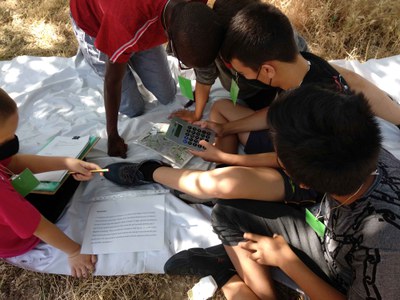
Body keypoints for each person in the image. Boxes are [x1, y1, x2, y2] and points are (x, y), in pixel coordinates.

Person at [166, 85, 400, 299]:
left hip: (343, 276)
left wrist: (286, 261)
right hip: (329, 232)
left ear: (303, 183)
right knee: (225, 212)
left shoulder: (383, 248)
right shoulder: (358, 145)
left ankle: (223, 273)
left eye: (278, 156)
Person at [191, 2, 400, 166]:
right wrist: (226, 129)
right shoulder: (309, 63)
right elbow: (274, 111)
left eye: (243, 73)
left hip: (298, 165)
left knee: (222, 186)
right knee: (222, 107)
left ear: (267, 70)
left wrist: (226, 158)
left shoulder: (302, 111)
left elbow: (283, 162)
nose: (243, 77)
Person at [70, 0, 219, 158]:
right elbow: (112, 82)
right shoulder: (124, 24)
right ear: (170, 38)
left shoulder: (190, 12)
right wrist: (112, 135)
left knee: (167, 93)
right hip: (98, 25)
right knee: (133, 109)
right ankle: (112, 55)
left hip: (138, 25)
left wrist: (197, 114)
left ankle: (125, 53)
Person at [0, 88, 101, 278]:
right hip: (16, 239)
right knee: (69, 181)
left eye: (14, 133)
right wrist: (74, 251)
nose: (13, 141)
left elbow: (15, 162)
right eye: (5, 140)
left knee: (73, 169)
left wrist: (66, 163)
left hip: (10, 209)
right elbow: (37, 225)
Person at [170, 0, 309, 122]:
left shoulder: (277, 39)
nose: (240, 72)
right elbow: (204, 76)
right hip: (251, 94)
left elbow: (295, 71)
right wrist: (197, 114)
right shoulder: (210, 40)